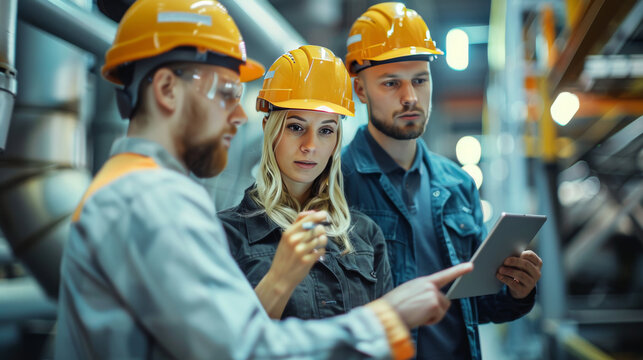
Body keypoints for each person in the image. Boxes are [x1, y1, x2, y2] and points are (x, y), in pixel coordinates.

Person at [54, 1, 472, 359]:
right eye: (224, 94)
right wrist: (385, 319)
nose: (238, 116)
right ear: (166, 88)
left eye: (327, 130)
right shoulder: (151, 202)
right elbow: (243, 348)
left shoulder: (135, 191)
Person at [341, 3, 544, 359]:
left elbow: (477, 307)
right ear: (360, 90)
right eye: (391, 83)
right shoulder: (335, 184)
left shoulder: (458, 185)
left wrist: (517, 290)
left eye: (420, 79)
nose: (410, 97)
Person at [218, 45, 393, 320]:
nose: (310, 145)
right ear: (269, 128)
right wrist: (278, 279)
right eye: (296, 127)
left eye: (326, 130)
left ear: (336, 140)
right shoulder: (224, 236)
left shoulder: (366, 237)